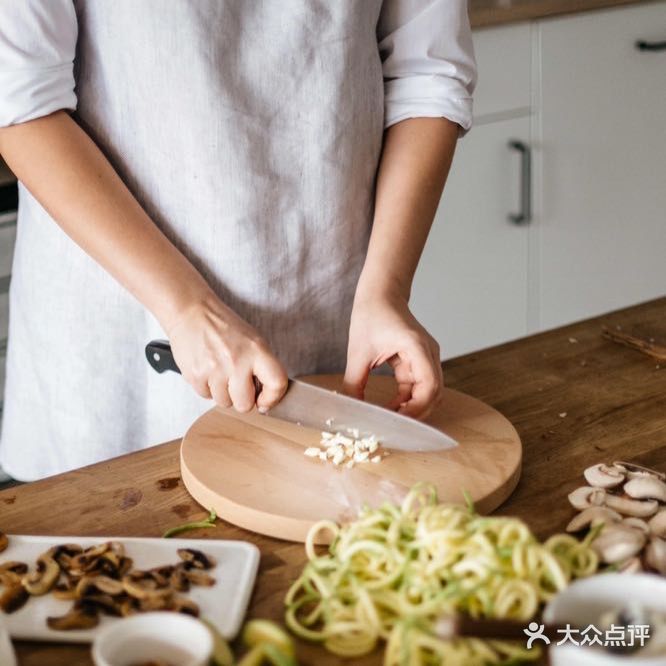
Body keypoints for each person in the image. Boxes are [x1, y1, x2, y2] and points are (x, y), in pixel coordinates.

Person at [0, 1, 476, 481]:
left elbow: (428, 73)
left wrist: (385, 291)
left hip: (334, 307)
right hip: (116, 332)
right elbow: (19, 102)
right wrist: (187, 308)